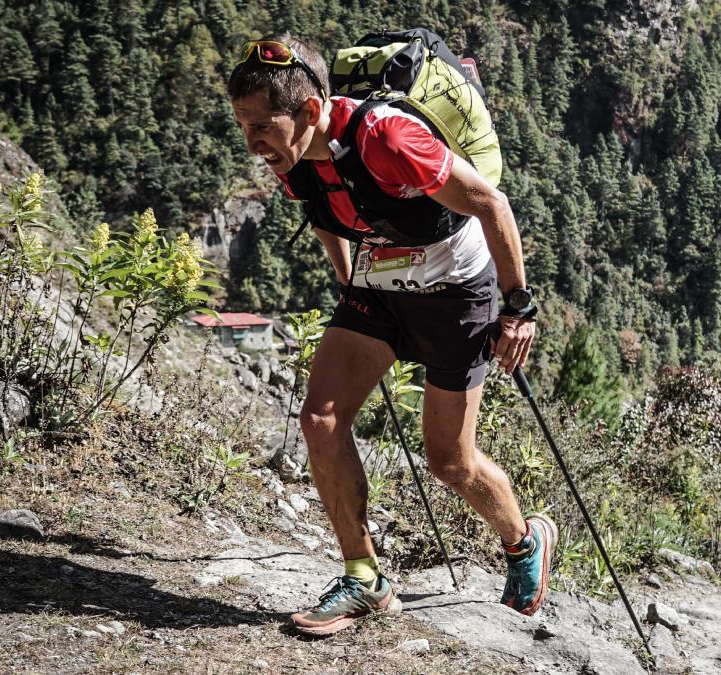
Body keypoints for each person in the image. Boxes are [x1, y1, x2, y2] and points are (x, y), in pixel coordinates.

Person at [227, 33, 557, 636]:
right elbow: (324, 216)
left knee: (450, 461)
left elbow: (490, 204)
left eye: (261, 126)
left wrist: (518, 308)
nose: (252, 142)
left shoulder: (386, 137)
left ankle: (524, 539)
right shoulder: (292, 157)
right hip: (378, 286)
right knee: (321, 420)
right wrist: (348, 283)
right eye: (243, 125)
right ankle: (365, 579)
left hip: (456, 290)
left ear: (309, 110)